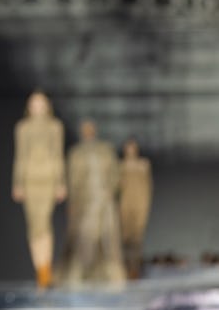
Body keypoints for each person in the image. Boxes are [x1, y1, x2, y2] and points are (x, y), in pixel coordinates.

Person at [57, 119, 126, 287]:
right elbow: (73, 180)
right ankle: (80, 276)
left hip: (106, 201)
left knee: (110, 239)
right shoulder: (76, 153)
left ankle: (114, 277)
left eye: (90, 128)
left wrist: (111, 190)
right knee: (85, 239)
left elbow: (116, 173)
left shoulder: (106, 150)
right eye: (85, 129)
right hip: (87, 202)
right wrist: (74, 203)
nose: (88, 131)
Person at [12, 89, 66, 289]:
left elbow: (58, 155)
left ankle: (45, 271)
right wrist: (17, 183)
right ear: (29, 106)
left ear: (47, 105)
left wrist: (61, 183)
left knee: (44, 224)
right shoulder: (22, 128)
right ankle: (41, 271)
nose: (37, 106)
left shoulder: (55, 127)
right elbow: (20, 156)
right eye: (33, 103)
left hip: (49, 179)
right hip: (30, 180)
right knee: (34, 226)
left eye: (41, 103)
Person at [118, 137, 153, 279]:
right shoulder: (120, 165)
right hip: (124, 203)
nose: (131, 150)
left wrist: (146, 204)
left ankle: (135, 268)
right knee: (126, 237)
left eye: (133, 147)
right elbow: (116, 186)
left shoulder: (144, 164)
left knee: (137, 237)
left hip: (140, 203)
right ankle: (126, 266)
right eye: (128, 147)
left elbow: (149, 186)